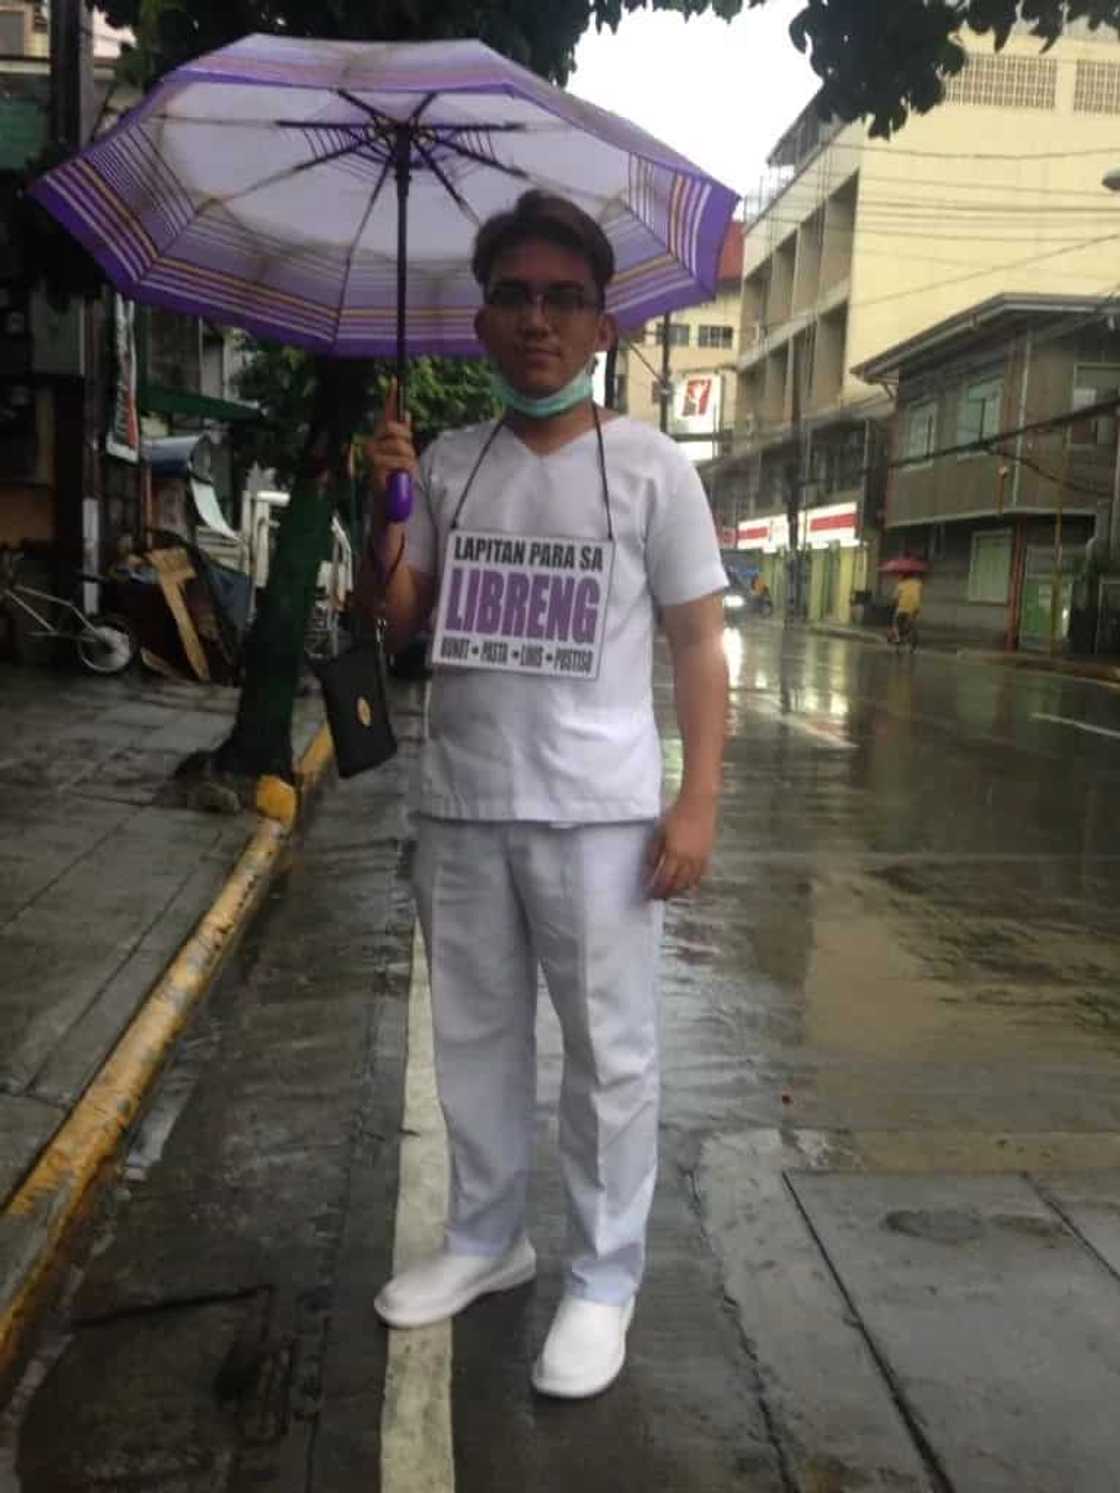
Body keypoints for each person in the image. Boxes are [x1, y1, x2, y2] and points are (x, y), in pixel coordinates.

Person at [358, 191, 728, 1400]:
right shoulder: (450, 467)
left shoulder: (653, 469)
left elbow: (694, 645)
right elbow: (398, 622)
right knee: (471, 1039)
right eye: (514, 295)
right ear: (480, 318)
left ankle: (604, 1275)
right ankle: (485, 1238)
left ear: (601, 320)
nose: (537, 320)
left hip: (601, 817)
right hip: (463, 800)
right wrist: (386, 507)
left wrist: (697, 801)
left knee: (609, 1056)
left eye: (562, 297)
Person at [891, 572, 923, 644]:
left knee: (895, 622)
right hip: (915, 606)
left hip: (903, 606)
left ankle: (898, 638)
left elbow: (895, 597)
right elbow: (920, 592)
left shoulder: (900, 585)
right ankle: (909, 631)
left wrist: (894, 602)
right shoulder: (918, 583)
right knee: (911, 619)